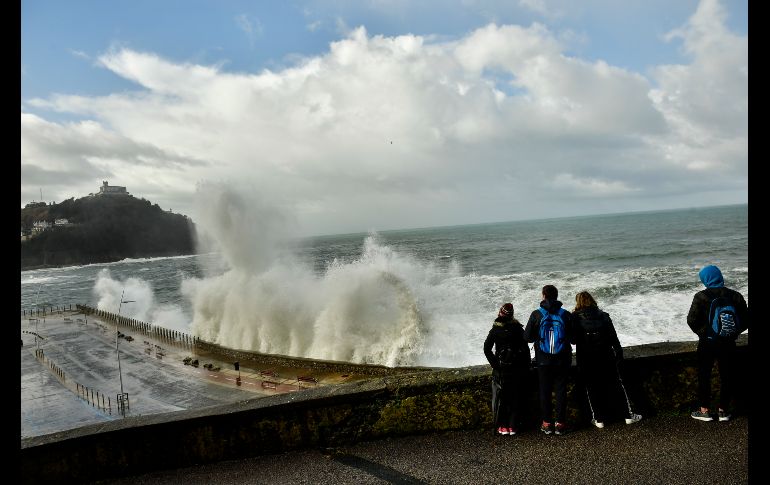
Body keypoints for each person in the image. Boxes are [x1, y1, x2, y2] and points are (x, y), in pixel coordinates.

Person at [687, 265, 748, 422]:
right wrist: (732, 334)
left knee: (704, 376)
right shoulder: (735, 296)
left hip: (707, 344)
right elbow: (746, 320)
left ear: (705, 279)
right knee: (727, 376)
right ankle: (723, 411)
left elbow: (692, 320)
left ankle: (704, 411)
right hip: (728, 343)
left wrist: (705, 334)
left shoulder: (701, 296)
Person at [572, 291, 642, 428]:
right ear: (592, 300)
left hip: (586, 359)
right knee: (616, 385)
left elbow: (573, 340)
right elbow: (613, 338)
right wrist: (619, 354)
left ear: (578, 302)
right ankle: (628, 416)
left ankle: (599, 420)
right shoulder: (603, 316)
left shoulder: (575, 318)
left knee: (592, 388)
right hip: (606, 356)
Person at [524, 285, 573, 435]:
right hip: (562, 359)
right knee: (561, 390)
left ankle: (546, 423)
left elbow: (527, 337)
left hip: (543, 360)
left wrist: (539, 339)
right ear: (557, 296)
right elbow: (573, 338)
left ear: (543, 296)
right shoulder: (565, 314)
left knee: (544, 391)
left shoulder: (536, 314)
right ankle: (560, 424)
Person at [483, 303, 530, 435]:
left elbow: (487, 349)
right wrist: (526, 365)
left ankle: (503, 426)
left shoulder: (495, 330)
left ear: (500, 314)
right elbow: (525, 349)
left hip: (502, 369)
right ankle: (513, 426)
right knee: (516, 396)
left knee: (502, 397)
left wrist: (495, 364)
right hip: (517, 368)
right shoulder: (518, 329)